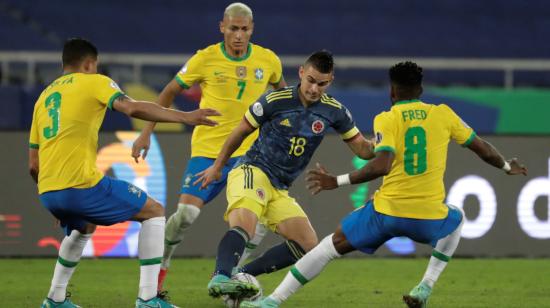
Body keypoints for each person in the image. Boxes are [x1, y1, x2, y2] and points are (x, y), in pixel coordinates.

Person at [240, 61, 528, 308]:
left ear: (392, 91)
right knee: (458, 218)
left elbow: (382, 164)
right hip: (427, 217)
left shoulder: (387, 118)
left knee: (328, 248)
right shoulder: (444, 114)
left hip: (385, 214)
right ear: (421, 90)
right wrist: (506, 166)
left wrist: (336, 181)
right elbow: (482, 148)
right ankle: (425, 285)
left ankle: (272, 301)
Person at [29, 38, 219, 308]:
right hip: (80, 185)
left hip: (49, 190)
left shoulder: (43, 98)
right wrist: (185, 117)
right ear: (89, 63)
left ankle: (55, 299)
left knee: (84, 226)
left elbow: (33, 164)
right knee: (154, 211)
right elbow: (132, 108)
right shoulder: (94, 81)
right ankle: (148, 298)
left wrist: (57, 198)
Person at [130, 2, 286, 291]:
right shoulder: (204, 59)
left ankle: (234, 275)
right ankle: (163, 260)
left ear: (252, 29)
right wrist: (147, 132)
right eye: (233, 28)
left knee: (255, 223)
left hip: (248, 156)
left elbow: (283, 99)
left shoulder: (269, 61)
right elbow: (168, 92)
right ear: (222, 27)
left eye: (244, 29)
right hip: (207, 152)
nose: (238, 35)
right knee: (187, 215)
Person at [196, 50, 374, 299]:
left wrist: (383, 145)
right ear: (301, 72)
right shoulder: (275, 100)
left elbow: (363, 150)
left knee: (307, 244)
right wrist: (217, 166)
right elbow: (240, 131)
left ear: (330, 81)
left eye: (321, 84)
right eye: (311, 80)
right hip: (253, 170)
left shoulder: (335, 111)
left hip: (279, 188)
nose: (314, 88)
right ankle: (221, 277)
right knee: (244, 225)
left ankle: (242, 275)